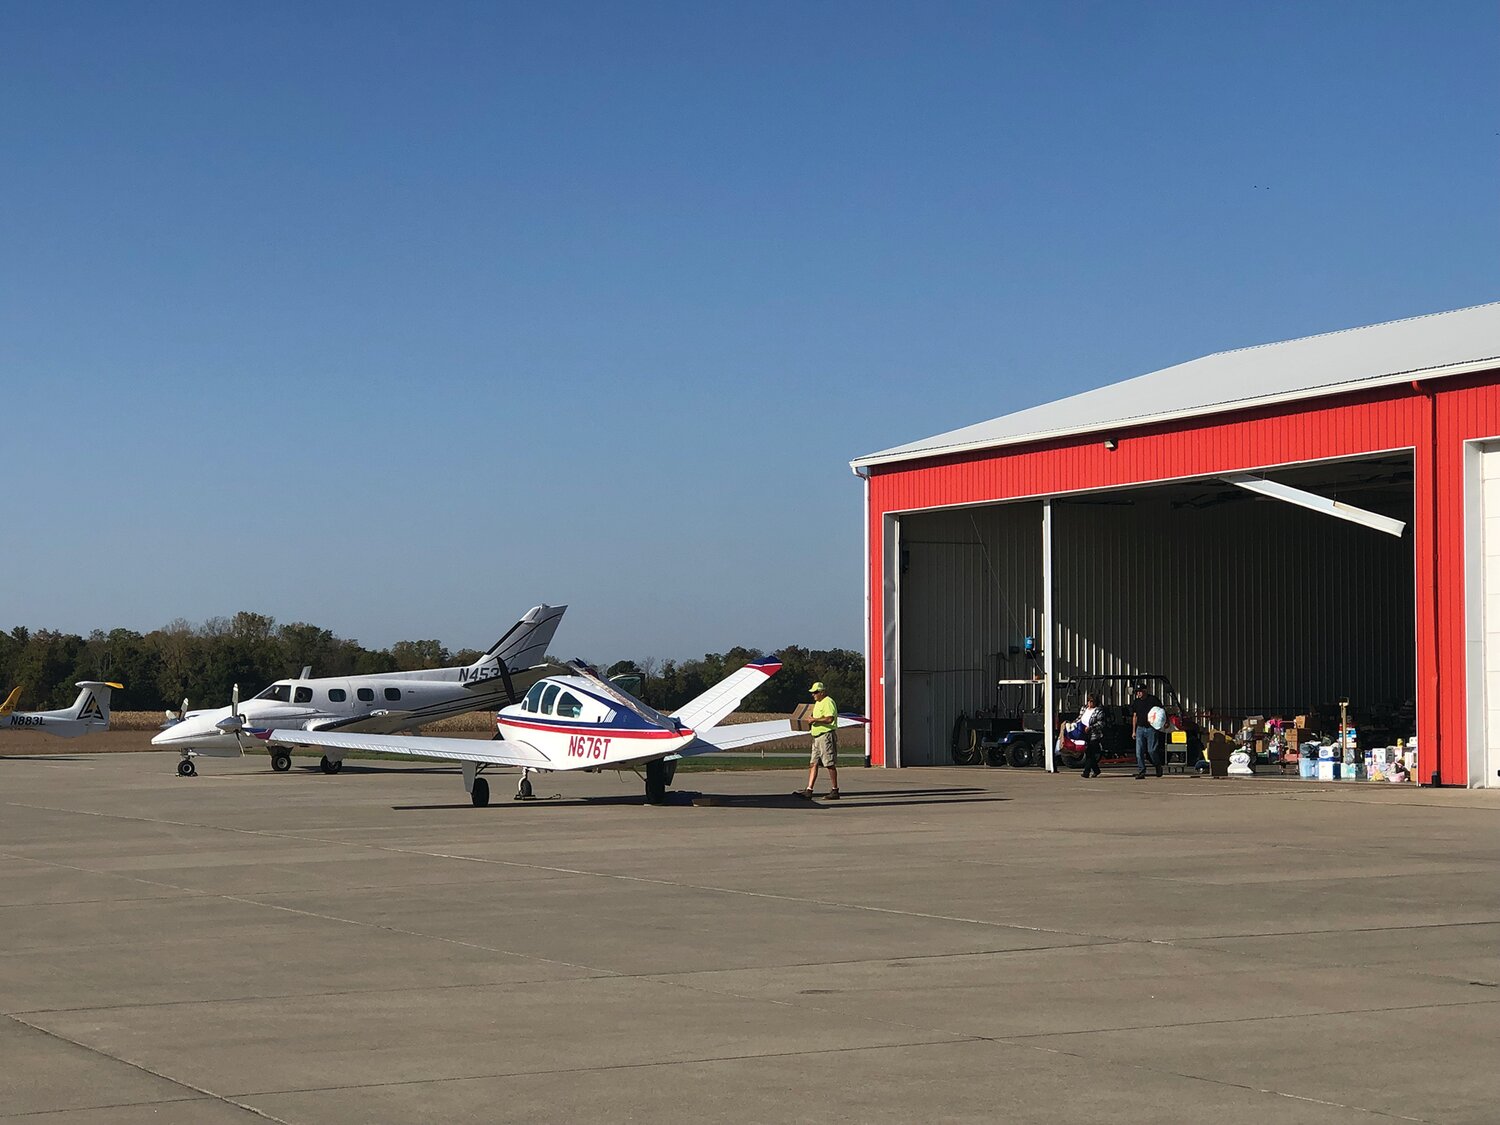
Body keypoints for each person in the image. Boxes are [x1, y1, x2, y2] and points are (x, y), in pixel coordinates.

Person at [794, 682, 839, 800]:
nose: (813, 695)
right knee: (813, 763)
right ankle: (809, 790)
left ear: (822, 692)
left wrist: (815, 720)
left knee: (829, 763)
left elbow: (829, 719)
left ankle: (835, 790)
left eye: (815, 692)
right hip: (816, 737)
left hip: (825, 736)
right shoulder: (817, 703)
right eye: (812, 693)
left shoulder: (828, 702)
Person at [1131, 682, 1164, 779]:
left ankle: (1158, 765)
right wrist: (1134, 730)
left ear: (1145, 691)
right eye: (1137, 692)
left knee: (1152, 750)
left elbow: (1161, 712)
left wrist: (1163, 723)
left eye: (1140, 691)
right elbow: (1134, 716)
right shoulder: (1136, 702)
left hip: (1151, 729)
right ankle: (1141, 771)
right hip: (1140, 728)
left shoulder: (1153, 700)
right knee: (1139, 751)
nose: (1138, 694)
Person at [1077, 693, 1104, 778]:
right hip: (1083, 734)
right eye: (1088, 701)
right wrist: (1073, 724)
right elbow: (1079, 718)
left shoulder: (1099, 710)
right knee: (1088, 753)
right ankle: (1096, 770)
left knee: (1090, 752)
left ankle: (1086, 772)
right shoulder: (1084, 709)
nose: (1090, 703)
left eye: (1092, 701)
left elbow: (1101, 723)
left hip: (1094, 735)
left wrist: (1091, 727)